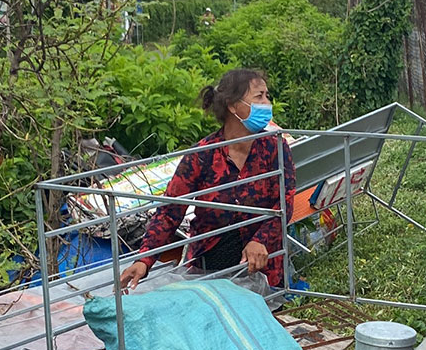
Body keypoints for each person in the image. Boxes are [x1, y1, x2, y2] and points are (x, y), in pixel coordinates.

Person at [118, 68, 296, 293]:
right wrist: (144, 259)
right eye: (259, 97)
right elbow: (171, 210)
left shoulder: (274, 147)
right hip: (210, 264)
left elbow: (285, 201)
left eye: (266, 96)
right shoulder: (202, 155)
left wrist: (261, 239)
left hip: (262, 265)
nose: (267, 103)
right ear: (233, 105)